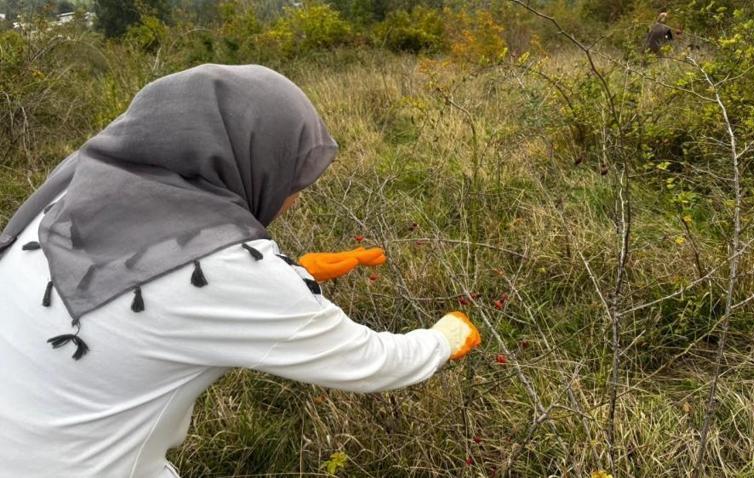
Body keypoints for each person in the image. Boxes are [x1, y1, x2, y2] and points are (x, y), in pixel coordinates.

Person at [0, 64, 480, 477]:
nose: (293, 197)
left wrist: (297, 274)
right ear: (255, 161)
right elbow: (373, 363)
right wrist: (444, 339)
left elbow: (139, 295)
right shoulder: (221, 269)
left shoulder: (75, 196)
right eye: (297, 178)